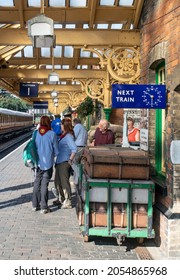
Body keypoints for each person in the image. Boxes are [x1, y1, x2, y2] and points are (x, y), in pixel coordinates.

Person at [32, 115, 59, 214]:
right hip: (48, 163)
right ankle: (44, 207)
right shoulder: (52, 134)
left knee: (36, 183)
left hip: (37, 162)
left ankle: (35, 205)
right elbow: (56, 150)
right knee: (44, 184)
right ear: (49, 123)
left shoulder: (35, 133)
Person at [54, 117, 77, 209]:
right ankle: (62, 199)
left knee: (64, 182)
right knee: (57, 182)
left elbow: (74, 149)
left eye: (62, 124)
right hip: (59, 162)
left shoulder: (68, 137)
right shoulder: (63, 135)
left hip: (64, 162)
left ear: (65, 126)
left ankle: (68, 201)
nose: (60, 126)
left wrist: (70, 160)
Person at [72, 118, 88, 186]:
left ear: (75, 122)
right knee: (80, 164)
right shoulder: (84, 128)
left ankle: (77, 180)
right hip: (83, 147)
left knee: (73, 163)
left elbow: (73, 136)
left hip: (77, 147)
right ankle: (78, 180)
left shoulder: (77, 126)